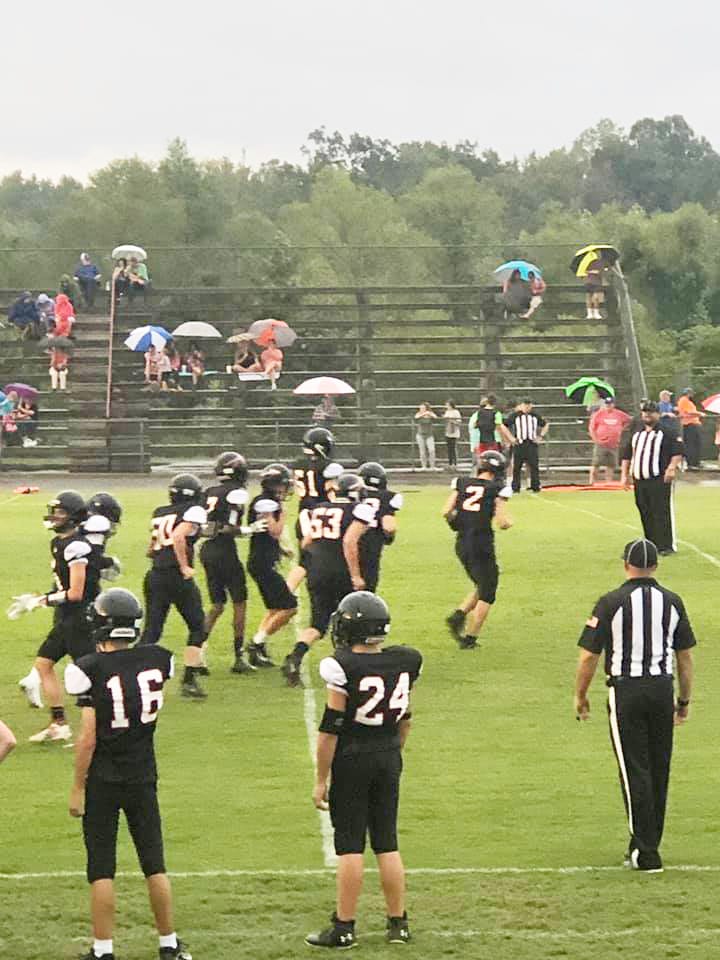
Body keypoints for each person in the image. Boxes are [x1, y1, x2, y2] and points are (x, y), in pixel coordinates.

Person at [64, 587, 192, 960]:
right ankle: (168, 944)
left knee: (101, 867)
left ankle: (103, 950)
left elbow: (88, 738)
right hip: (142, 773)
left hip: (103, 777)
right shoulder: (158, 660)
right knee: (154, 863)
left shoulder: (86, 669)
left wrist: (77, 786)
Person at [306, 591, 422, 949]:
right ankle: (398, 924)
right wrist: (391, 753)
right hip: (388, 755)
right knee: (387, 842)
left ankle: (344, 927)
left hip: (353, 757)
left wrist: (321, 778)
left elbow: (330, 729)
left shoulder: (342, 666)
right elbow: (405, 718)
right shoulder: (405, 660)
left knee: (350, 846)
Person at [574, 539, 696, 873]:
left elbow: (588, 656)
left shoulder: (610, 602)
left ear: (625, 564)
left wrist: (580, 695)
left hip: (626, 690)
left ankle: (646, 851)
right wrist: (683, 700)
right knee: (658, 769)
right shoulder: (672, 601)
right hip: (661, 689)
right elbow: (684, 658)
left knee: (634, 770)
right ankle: (643, 843)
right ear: (655, 565)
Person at [8, 491, 100, 742]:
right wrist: (35, 599)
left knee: (90, 675)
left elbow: (76, 592)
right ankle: (59, 724)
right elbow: (63, 586)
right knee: (44, 665)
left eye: (60, 513)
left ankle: (109, 722)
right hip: (67, 617)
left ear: (73, 516)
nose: (55, 517)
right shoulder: (60, 542)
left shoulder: (76, 546)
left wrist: (42, 601)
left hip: (80, 618)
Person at [281, 473, 375, 688]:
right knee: (352, 619)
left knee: (318, 623)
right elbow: (350, 542)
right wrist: (356, 575)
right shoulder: (359, 510)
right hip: (340, 570)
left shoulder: (319, 508)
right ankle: (349, 666)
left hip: (316, 570)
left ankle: (295, 657)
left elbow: (306, 542)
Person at [140, 474, 209, 699]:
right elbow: (179, 536)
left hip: (155, 574)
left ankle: (129, 673)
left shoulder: (160, 512)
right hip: (175, 577)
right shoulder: (193, 511)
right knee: (198, 626)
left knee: (152, 630)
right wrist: (184, 566)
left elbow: (152, 547)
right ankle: (189, 679)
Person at [201, 452, 267, 674]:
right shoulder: (237, 493)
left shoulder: (208, 492)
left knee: (217, 605)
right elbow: (228, 528)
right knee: (240, 602)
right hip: (223, 550)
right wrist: (249, 529)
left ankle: (197, 654)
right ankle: (238, 657)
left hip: (207, 549)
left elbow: (205, 527)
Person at [443, 450, 513, 649]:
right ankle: (470, 638)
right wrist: (509, 522)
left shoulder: (462, 483)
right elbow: (502, 522)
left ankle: (458, 615)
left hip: (462, 541)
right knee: (488, 591)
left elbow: (446, 511)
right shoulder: (497, 488)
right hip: (481, 542)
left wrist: (458, 523)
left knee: (482, 583)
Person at [246, 463, 298, 664]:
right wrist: (283, 514)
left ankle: (258, 646)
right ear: (273, 485)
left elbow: (265, 535)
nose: (286, 489)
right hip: (261, 563)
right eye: (283, 485)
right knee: (289, 607)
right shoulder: (266, 504)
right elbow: (274, 531)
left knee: (276, 608)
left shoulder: (264, 500)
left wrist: (282, 550)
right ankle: (256, 642)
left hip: (261, 560)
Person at [620, 401, 683, 555]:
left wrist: (671, 468)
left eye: (651, 412)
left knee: (661, 511)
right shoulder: (637, 432)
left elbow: (677, 451)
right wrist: (624, 475)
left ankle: (667, 545)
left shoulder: (667, 431)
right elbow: (627, 454)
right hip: (639, 478)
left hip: (659, 477)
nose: (647, 414)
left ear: (658, 414)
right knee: (645, 510)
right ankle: (651, 543)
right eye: (645, 412)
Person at [286, 427, 343, 594]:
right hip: (322, 516)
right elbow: (333, 492)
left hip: (303, 514)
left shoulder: (298, 464)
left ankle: (288, 593)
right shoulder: (329, 467)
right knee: (324, 559)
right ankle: (285, 595)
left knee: (306, 562)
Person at [357, 461, 402, 592]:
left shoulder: (354, 494)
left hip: (349, 542)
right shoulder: (388, 497)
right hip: (372, 543)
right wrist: (389, 538)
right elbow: (389, 527)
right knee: (368, 586)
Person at [505, 398, 549, 493]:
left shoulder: (535, 416)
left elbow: (545, 424)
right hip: (519, 443)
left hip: (531, 443)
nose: (527, 407)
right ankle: (515, 487)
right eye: (525, 405)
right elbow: (504, 425)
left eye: (529, 405)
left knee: (534, 466)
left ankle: (535, 486)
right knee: (517, 467)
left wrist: (540, 436)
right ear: (521, 406)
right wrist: (511, 438)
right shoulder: (515, 416)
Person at [588, 398, 631, 484]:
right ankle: (592, 481)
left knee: (611, 465)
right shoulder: (599, 414)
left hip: (613, 444)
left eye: (610, 404)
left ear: (613, 404)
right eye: (607, 404)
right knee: (596, 463)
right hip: (601, 443)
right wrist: (595, 439)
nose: (608, 406)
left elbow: (629, 420)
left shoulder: (619, 414)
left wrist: (622, 428)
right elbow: (591, 428)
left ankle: (608, 482)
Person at [676, 388, 705, 470]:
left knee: (697, 444)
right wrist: (700, 413)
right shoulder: (683, 400)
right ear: (687, 393)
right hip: (689, 424)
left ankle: (696, 462)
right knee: (691, 444)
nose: (692, 394)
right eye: (691, 393)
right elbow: (688, 412)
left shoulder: (688, 401)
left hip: (694, 424)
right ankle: (691, 463)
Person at [414, 402, 437, 470]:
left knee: (431, 450)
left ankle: (432, 466)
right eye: (420, 408)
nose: (421, 409)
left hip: (429, 435)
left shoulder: (430, 414)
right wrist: (423, 414)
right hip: (420, 435)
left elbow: (435, 417)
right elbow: (416, 417)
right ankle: (424, 466)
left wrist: (429, 414)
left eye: (423, 408)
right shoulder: (419, 414)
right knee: (422, 451)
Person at [442, 400, 462, 468]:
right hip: (448, 431)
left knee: (453, 448)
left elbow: (459, 422)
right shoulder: (447, 412)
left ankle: (455, 463)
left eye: (447, 405)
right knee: (449, 448)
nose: (446, 406)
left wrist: (451, 420)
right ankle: (450, 463)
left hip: (454, 432)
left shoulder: (456, 412)